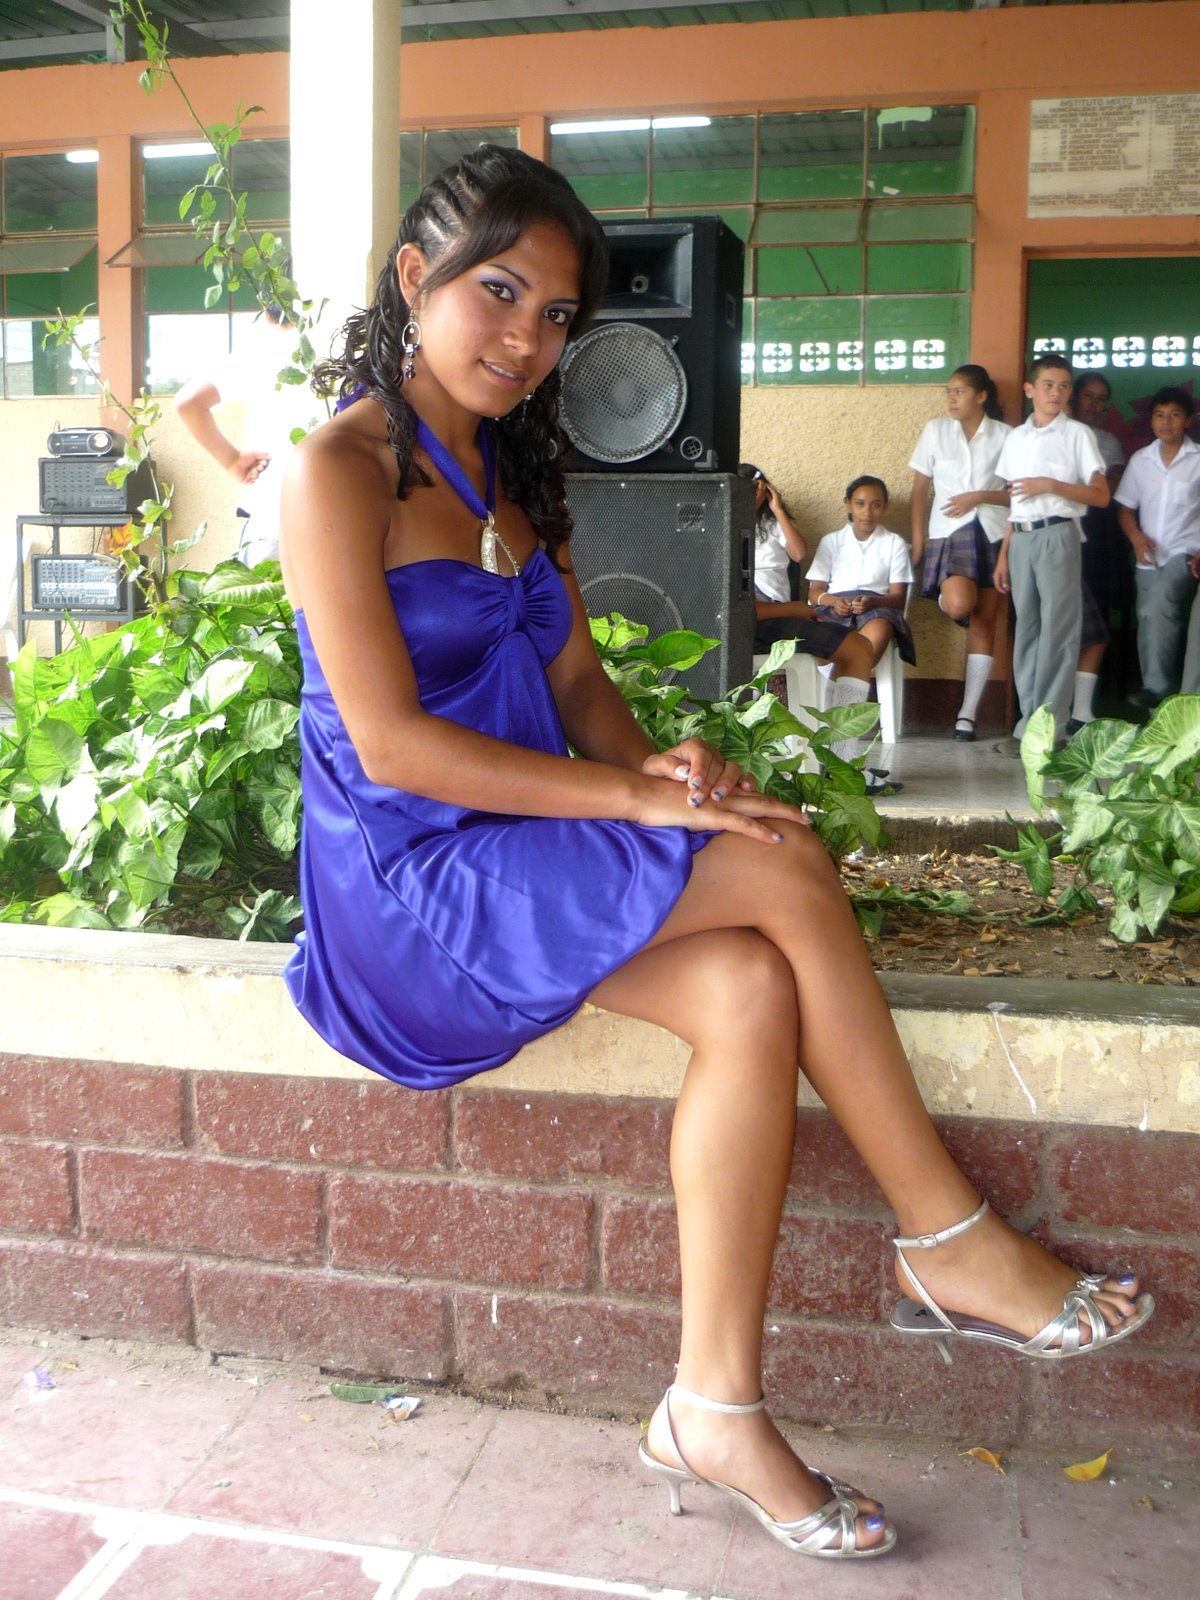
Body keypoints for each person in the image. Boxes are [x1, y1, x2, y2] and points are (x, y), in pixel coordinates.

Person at [278, 146, 1153, 1564]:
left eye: (557, 315)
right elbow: (390, 747)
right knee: (782, 861)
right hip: (409, 884)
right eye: (499, 293)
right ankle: (945, 1235)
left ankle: (713, 1407)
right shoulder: (341, 472)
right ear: (414, 278)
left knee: (749, 985)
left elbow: (575, 687)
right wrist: (633, 811)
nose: (526, 338)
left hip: (516, 848)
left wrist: (656, 769)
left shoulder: (506, 464)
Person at [994, 356, 1109, 749]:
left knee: (1058, 632)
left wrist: (1051, 484)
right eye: (1047, 385)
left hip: (1059, 533)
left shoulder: (1077, 434)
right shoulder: (1016, 438)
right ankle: (1029, 722)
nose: (1056, 393)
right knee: (1027, 630)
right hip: (1021, 538)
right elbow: (1014, 501)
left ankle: (1051, 727)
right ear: (1030, 389)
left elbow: (1100, 494)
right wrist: (1004, 553)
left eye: (1063, 386)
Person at [908, 364, 1010, 741]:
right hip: (948, 533)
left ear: (981, 396)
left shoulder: (1005, 436)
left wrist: (980, 496)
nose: (951, 398)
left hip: (993, 530)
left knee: (985, 622)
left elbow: (1018, 493)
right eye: (948, 391)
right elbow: (920, 489)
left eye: (960, 391)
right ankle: (943, 598)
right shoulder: (936, 430)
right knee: (959, 604)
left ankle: (967, 714)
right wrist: (919, 540)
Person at [174, 290, 314, 567]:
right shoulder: (337, 344)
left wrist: (232, 460)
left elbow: (188, 402)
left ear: (266, 311)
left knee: (264, 595)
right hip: (334, 514)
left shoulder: (260, 349)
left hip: (272, 517)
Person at [1115, 386, 1200, 703]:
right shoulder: (1141, 460)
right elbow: (1125, 509)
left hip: (1186, 551)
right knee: (1148, 618)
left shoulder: (1198, 459)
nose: (1166, 422)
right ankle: (1156, 706)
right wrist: (1136, 538)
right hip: (1148, 556)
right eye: (1159, 415)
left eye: (1174, 415)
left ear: (1188, 420)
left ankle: (1159, 690)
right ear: (1151, 420)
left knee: (1160, 603)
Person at [1068, 373, 1128, 730]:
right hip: (1063, 527)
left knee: (1097, 615)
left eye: (1101, 398)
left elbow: (1115, 484)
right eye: (1088, 395)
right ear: (1075, 397)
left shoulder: (1108, 442)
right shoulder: (1061, 434)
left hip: (1099, 531)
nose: (1094, 403)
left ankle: (1085, 702)